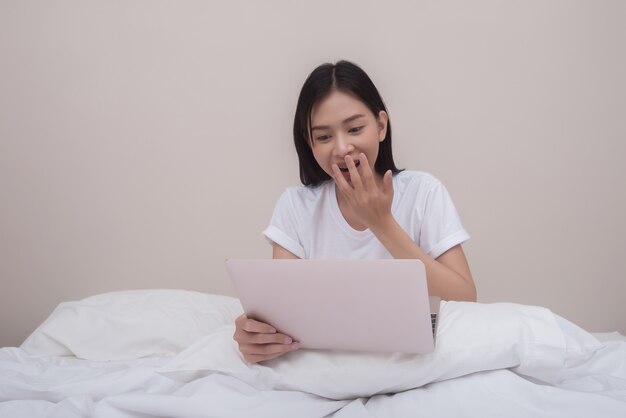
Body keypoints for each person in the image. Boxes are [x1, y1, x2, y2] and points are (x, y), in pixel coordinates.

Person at [234, 60, 477, 364]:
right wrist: (256, 334)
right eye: (323, 137)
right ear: (310, 143)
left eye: (355, 129)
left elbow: (466, 298)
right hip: (328, 368)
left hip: (409, 364)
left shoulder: (423, 192)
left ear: (381, 125)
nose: (342, 148)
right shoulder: (295, 206)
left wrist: (382, 223)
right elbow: (282, 315)